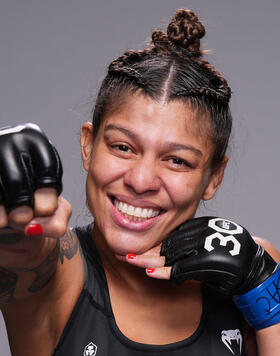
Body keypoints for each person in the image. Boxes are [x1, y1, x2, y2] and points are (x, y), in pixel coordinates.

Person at [0, 9, 279, 356]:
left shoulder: (253, 267)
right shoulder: (57, 274)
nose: (141, 180)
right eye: (123, 147)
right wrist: (11, 197)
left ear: (213, 177)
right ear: (88, 145)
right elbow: (18, 248)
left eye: (177, 160)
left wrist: (263, 287)